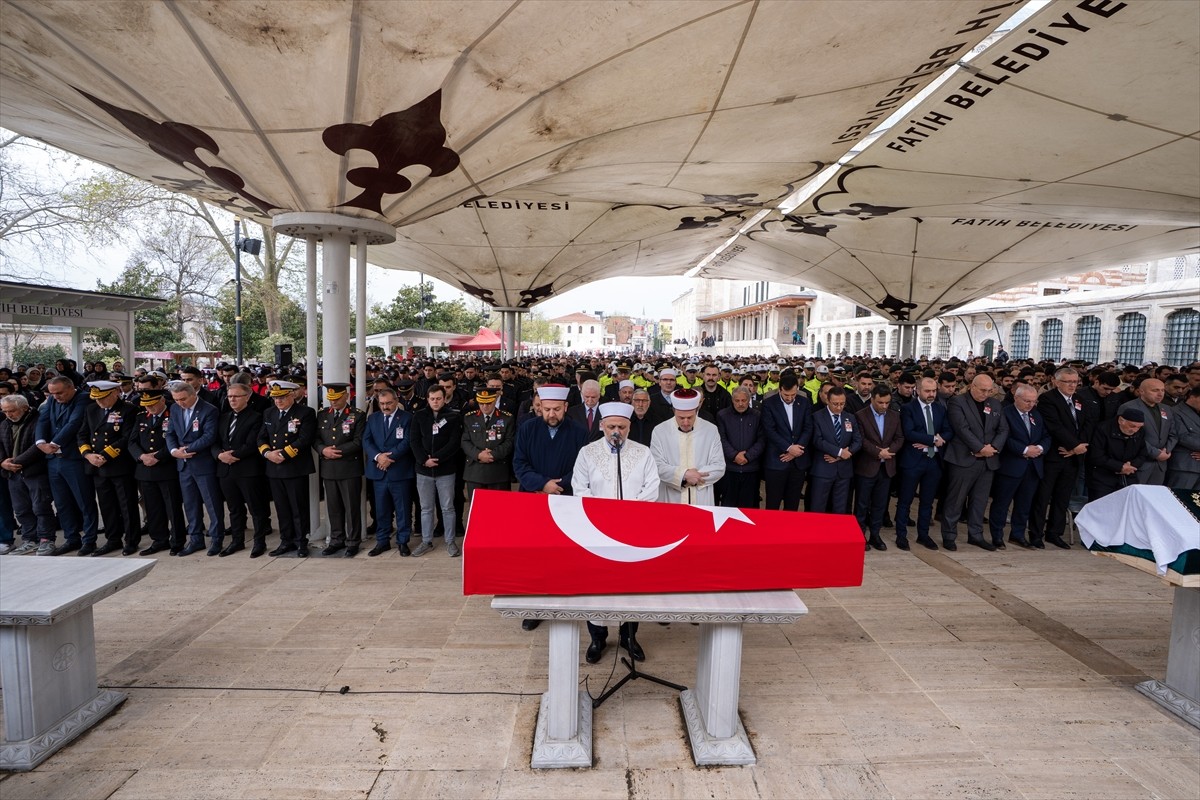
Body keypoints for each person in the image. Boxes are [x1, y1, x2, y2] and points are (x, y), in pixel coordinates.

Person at [572, 402, 659, 664]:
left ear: (629, 427)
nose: (616, 432)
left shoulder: (643, 453)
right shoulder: (587, 452)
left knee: (631, 584)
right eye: (611, 426)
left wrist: (629, 514)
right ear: (602, 426)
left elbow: (652, 488)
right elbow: (580, 488)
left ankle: (628, 636)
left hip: (633, 531)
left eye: (622, 427)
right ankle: (597, 637)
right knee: (597, 585)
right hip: (597, 531)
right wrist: (603, 516)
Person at [512, 384, 587, 631]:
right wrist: (542, 484)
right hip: (534, 499)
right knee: (534, 556)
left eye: (556, 409)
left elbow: (582, 467)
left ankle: (565, 599)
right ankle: (535, 607)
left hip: (566, 499)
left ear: (565, 407)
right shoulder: (527, 429)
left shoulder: (578, 431)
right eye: (546, 410)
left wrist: (559, 486)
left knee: (564, 553)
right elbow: (519, 464)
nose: (551, 414)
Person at [940, 374, 1008, 550]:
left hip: (988, 460)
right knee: (955, 500)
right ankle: (949, 535)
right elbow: (961, 429)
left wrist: (993, 447)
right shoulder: (957, 402)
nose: (986, 394)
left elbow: (1003, 429)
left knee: (980, 500)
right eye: (982, 390)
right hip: (963, 458)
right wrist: (979, 448)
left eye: (989, 390)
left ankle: (976, 535)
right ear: (972, 386)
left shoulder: (994, 404)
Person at [37, 376, 100, 555]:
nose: (56, 396)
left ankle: (89, 540)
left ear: (71, 387)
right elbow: (43, 420)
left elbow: (74, 423)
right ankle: (71, 538)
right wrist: (40, 442)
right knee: (62, 503)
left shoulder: (84, 398)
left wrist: (53, 444)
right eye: (52, 393)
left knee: (84, 501)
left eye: (60, 393)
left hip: (74, 459)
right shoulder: (52, 399)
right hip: (54, 460)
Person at [79, 380, 141, 555]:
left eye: (103, 398)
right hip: (96, 465)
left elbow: (127, 437)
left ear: (115, 393)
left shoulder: (128, 409)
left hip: (119, 464)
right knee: (107, 505)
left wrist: (105, 456)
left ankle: (131, 540)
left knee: (127, 505)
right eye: (96, 398)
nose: (99, 402)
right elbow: (83, 434)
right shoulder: (91, 409)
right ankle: (113, 539)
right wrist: (88, 454)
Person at [1034, 367, 1092, 549]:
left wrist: (1078, 448)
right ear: (1056, 382)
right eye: (1068, 382)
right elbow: (1054, 426)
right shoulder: (1047, 399)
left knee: (1062, 497)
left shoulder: (1079, 399)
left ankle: (1055, 533)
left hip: (1073, 457)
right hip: (1054, 455)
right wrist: (1073, 445)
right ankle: (1036, 534)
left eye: (1075, 382)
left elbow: (1087, 425)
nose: (1072, 385)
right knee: (1043, 497)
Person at [258, 380, 317, 557]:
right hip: (274, 468)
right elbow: (261, 437)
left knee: (298, 507)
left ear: (292, 395)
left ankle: (301, 542)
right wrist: (268, 453)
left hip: (294, 466)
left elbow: (305, 439)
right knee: (281, 507)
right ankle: (286, 541)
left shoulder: (305, 412)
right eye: (275, 398)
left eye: (282, 397)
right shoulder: (269, 413)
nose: (278, 401)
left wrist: (283, 454)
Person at [213, 381, 271, 557]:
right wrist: (219, 455)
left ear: (247, 397)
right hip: (226, 470)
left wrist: (233, 455)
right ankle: (237, 541)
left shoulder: (256, 417)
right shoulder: (223, 417)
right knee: (234, 509)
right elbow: (215, 442)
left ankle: (259, 542)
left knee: (256, 509)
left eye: (236, 396)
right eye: (230, 396)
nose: (232, 400)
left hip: (248, 470)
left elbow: (252, 443)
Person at [167, 379, 225, 556]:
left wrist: (187, 450)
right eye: (176, 399)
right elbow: (170, 433)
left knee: (212, 504)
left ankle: (216, 539)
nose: (180, 403)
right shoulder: (175, 409)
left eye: (183, 399)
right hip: (183, 465)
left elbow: (209, 436)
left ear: (193, 394)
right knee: (190, 505)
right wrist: (174, 451)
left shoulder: (209, 410)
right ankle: (195, 539)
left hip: (203, 463)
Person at [895, 377, 953, 550]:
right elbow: (909, 432)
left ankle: (923, 535)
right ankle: (901, 535)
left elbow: (948, 431)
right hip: (913, 461)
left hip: (933, 461)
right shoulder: (908, 408)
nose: (931, 394)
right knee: (905, 500)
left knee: (927, 502)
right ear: (918, 390)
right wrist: (934, 439)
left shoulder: (940, 408)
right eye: (927, 391)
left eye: (934, 391)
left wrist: (933, 442)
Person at [989, 384, 1050, 548]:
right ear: (1016, 398)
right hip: (1011, 466)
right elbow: (1004, 437)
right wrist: (1024, 450)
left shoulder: (1035, 414)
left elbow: (1046, 435)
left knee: (1024, 504)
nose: (1031, 404)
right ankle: (997, 535)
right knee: (1002, 504)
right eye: (1027, 401)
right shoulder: (1005, 412)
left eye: (1033, 401)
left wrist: (1040, 448)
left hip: (1032, 467)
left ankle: (1017, 534)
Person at [409, 384, 463, 557]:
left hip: (445, 470)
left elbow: (454, 443)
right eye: (432, 399)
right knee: (425, 508)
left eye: (438, 398)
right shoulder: (419, 416)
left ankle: (450, 541)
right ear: (428, 399)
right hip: (423, 470)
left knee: (447, 508)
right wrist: (424, 460)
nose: (435, 402)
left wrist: (436, 459)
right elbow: (414, 441)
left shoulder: (453, 416)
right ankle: (426, 541)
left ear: (444, 398)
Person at [315, 383, 366, 557]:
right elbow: (316, 438)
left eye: (337, 399)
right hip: (329, 468)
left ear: (346, 396)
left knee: (351, 507)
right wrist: (323, 450)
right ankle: (337, 540)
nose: (334, 402)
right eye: (331, 399)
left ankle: (353, 541)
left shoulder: (357, 415)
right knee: (333, 507)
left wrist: (337, 451)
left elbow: (358, 441)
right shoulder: (323, 415)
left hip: (349, 467)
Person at [0, 394, 55, 555]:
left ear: (24, 408)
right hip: (13, 474)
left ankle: (46, 539)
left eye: (12, 410)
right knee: (21, 509)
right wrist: (2, 462)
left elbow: (38, 446)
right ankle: (30, 539)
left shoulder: (38, 421)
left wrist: (17, 462)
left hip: (34, 471)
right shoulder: (4, 424)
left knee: (41, 507)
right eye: (5, 411)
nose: (8, 414)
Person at [363, 387, 415, 556]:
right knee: (381, 510)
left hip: (400, 471)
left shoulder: (407, 418)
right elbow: (366, 440)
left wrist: (388, 458)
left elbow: (407, 441)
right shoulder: (373, 418)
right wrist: (378, 457)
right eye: (382, 403)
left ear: (396, 401)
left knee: (403, 510)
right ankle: (382, 541)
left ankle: (403, 541)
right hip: (378, 472)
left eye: (389, 403)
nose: (385, 406)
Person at [650, 388, 725, 505]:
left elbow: (719, 466)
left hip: (701, 496)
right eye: (681, 418)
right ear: (674, 411)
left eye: (690, 417)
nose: (685, 422)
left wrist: (694, 477)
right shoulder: (660, 431)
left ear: (697, 410)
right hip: (671, 496)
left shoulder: (711, 430)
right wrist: (683, 475)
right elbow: (657, 466)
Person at [853, 386, 903, 551]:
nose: (884, 406)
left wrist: (889, 451)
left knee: (880, 504)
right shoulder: (860, 415)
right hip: (866, 466)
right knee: (862, 504)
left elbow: (899, 438)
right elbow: (861, 439)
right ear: (872, 399)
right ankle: (860, 535)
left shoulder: (894, 416)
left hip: (886, 467)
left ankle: (875, 535)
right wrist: (877, 452)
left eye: (887, 403)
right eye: (880, 402)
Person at [759, 372, 813, 511]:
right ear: (780, 389)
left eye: (793, 394)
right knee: (773, 503)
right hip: (776, 461)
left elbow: (808, 428)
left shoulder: (804, 402)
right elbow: (769, 430)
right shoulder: (769, 403)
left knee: (792, 504)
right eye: (786, 395)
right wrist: (789, 448)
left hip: (798, 462)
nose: (790, 398)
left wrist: (796, 451)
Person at [461, 386, 515, 503]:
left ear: (495, 400)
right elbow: (465, 441)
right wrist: (478, 455)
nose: (485, 406)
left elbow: (509, 441)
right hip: (475, 471)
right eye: (481, 403)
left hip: (498, 471)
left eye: (488, 403)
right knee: (477, 509)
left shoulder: (507, 418)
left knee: (498, 509)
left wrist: (493, 455)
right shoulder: (469, 418)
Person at [1119, 378, 1175, 486]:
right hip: (1139, 462)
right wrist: (1155, 453)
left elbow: (1173, 433)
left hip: (1161, 463)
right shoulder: (1129, 407)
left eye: (1162, 390)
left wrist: (1167, 450)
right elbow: (1130, 434)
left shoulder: (1167, 409)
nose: (1160, 394)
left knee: (1154, 494)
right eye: (1155, 390)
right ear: (1141, 391)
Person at [716, 387, 765, 509]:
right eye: (737, 400)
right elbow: (721, 439)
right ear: (732, 400)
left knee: (749, 508)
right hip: (730, 469)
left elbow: (762, 440)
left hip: (751, 469)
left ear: (749, 400)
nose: (740, 404)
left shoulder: (757, 416)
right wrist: (734, 455)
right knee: (728, 506)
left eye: (744, 400)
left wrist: (747, 456)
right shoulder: (722, 415)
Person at [1086, 407, 1148, 500]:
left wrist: (1131, 466)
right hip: (1102, 478)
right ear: (1121, 421)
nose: (1135, 430)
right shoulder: (1103, 429)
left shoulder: (1140, 432)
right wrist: (1120, 467)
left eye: (1139, 427)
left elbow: (1143, 453)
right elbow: (1096, 456)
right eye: (1132, 426)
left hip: (1128, 476)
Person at [1167, 385, 1200, 490]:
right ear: (1192, 396)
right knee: (1177, 497)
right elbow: (1183, 437)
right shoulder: (1175, 411)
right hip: (1184, 465)